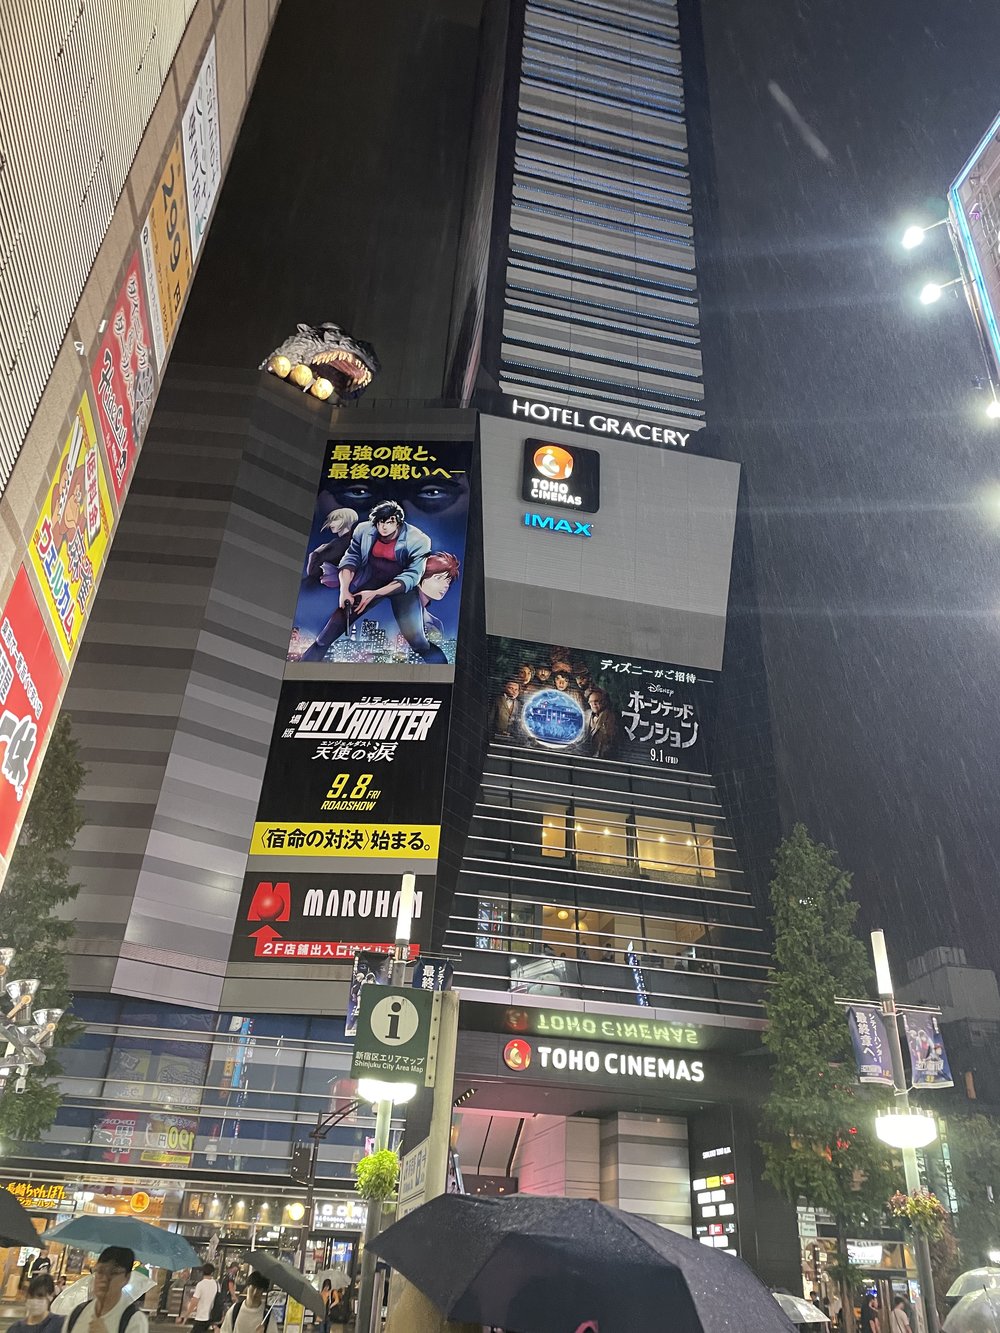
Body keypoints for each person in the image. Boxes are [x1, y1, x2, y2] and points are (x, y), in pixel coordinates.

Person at [298, 500, 442, 662]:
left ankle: (440, 666)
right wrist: (344, 590)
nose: (384, 527)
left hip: (402, 588)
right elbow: (351, 558)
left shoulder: (418, 540)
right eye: (380, 522)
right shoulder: (364, 530)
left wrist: (374, 594)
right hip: (374, 579)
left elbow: (412, 576)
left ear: (398, 521)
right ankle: (304, 665)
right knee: (332, 627)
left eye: (389, 522)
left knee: (418, 642)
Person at [65, 1247, 148, 1333]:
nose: (105, 1279)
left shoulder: (133, 1320)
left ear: (127, 1278)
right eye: (100, 1271)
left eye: (113, 1273)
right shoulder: (77, 1313)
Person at [304, 507, 359, 583]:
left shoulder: (341, 544)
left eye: (335, 519)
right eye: (330, 520)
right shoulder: (342, 542)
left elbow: (313, 572)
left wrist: (315, 553)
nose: (330, 524)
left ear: (346, 520)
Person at [184, 1265, 219, 1333]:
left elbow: (194, 1301)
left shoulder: (201, 1284)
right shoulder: (216, 1284)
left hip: (201, 1316)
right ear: (212, 1273)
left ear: (202, 1272)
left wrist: (187, 1314)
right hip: (211, 1315)